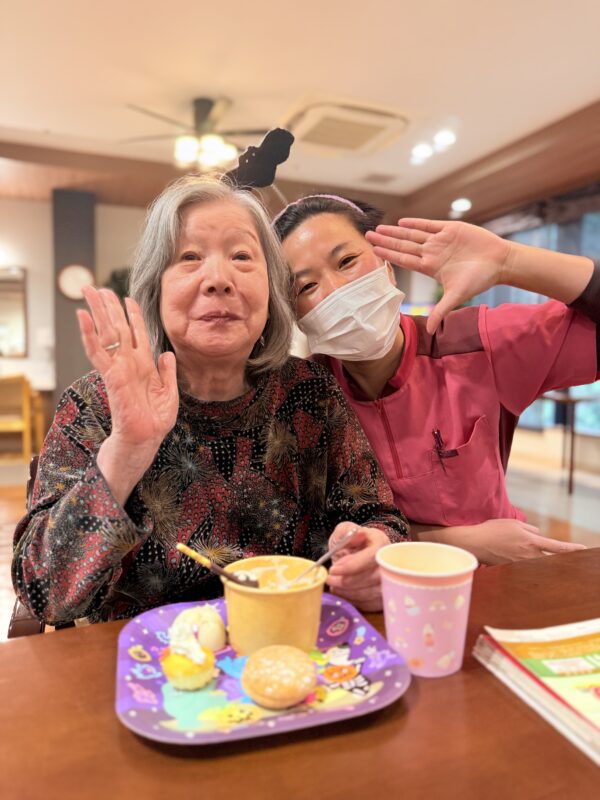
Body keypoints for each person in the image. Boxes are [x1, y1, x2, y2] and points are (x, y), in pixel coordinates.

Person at [12, 178, 409, 625]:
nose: (218, 280)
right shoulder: (97, 404)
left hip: (287, 640)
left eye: (241, 257)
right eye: (189, 257)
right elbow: (45, 595)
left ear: (272, 291)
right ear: (156, 287)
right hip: (147, 657)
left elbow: (381, 518)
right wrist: (126, 450)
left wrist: (374, 548)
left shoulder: (310, 392)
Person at [274, 195, 600, 564]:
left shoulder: (477, 343)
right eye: (306, 287)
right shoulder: (306, 394)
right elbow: (313, 531)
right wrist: (459, 542)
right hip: (372, 585)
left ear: (387, 265)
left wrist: (509, 261)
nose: (335, 290)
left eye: (347, 261)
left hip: (494, 577)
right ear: (293, 314)